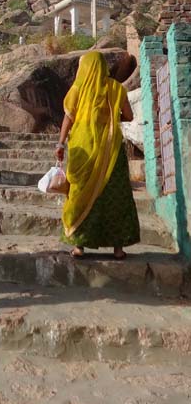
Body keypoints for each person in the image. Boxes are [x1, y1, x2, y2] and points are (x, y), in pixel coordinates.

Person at [55, 51, 140, 259]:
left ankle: (79, 246)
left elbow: (68, 119)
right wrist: (112, 115)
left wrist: (60, 143)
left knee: (79, 194)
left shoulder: (77, 89)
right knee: (115, 196)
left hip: (82, 150)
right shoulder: (115, 89)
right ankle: (118, 249)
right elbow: (129, 116)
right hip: (111, 151)